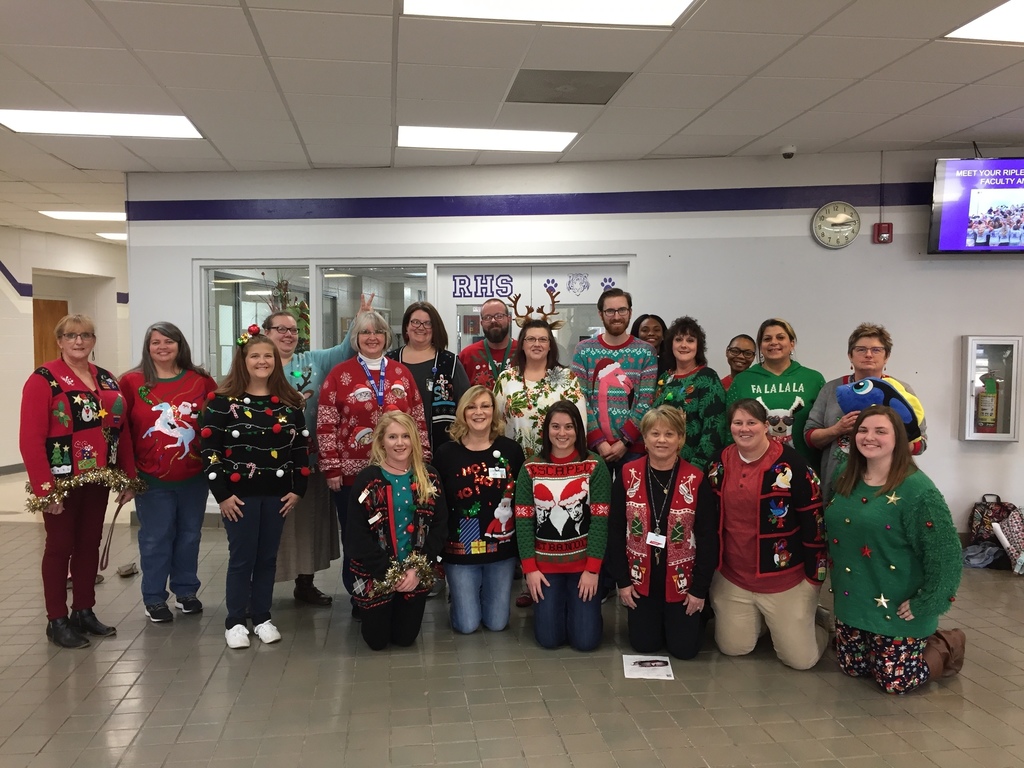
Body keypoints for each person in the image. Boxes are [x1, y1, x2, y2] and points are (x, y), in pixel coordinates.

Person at [20, 314, 142, 649]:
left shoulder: (105, 379)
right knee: (59, 548)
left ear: (93, 340)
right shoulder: (43, 379)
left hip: (97, 477)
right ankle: (56, 619)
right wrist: (46, 492)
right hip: (60, 481)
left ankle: (83, 611)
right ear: (59, 340)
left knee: (89, 544)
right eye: (71, 335)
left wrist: (129, 477)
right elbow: (30, 440)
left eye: (86, 335)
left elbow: (122, 431)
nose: (79, 341)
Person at [827, 406, 964, 694]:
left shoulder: (918, 490)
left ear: (897, 438)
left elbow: (946, 555)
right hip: (853, 601)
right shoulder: (844, 474)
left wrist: (928, 602)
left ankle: (946, 644)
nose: (869, 437)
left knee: (895, 682)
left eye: (880, 431)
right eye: (862, 430)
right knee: (853, 668)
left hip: (899, 606)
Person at [201, 327, 308, 648]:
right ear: (243, 360)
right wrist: (222, 495)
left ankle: (262, 617)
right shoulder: (221, 403)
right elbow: (210, 452)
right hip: (239, 497)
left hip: (277, 495)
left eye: (267, 356)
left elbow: (301, 451)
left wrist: (298, 488)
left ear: (276, 360)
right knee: (242, 558)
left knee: (267, 558)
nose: (262, 361)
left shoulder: (290, 402)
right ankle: (235, 621)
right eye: (255, 356)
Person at [317, 310, 430, 613]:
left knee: (397, 533)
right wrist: (331, 467)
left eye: (378, 332)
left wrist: (425, 464)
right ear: (355, 338)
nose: (372, 338)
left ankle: (398, 590)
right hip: (353, 476)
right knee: (358, 537)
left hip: (401, 473)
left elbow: (417, 419)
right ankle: (361, 595)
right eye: (365, 332)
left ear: (386, 337)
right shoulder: (339, 374)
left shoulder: (400, 373)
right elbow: (326, 422)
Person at [262, 294, 372, 607]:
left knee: (309, 525)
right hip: (268, 467)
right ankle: (260, 590)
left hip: (309, 462)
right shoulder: (257, 364)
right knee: (272, 528)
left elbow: (344, 349)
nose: (287, 335)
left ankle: (305, 584)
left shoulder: (313, 361)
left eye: (293, 330)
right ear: (266, 333)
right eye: (280, 329)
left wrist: (359, 319)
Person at [704, 399, 828, 670]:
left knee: (801, 661)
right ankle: (765, 622)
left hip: (785, 581)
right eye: (738, 423)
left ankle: (814, 623)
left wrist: (814, 578)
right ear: (731, 427)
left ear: (765, 426)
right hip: (734, 577)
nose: (744, 429)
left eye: (752, 423)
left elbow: (813, 520)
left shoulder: (793, 465)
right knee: (733, 648)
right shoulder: (718, 463)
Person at [120, 322, 217, 623]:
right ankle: (154, 598)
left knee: (189, 536)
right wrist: (127, 476)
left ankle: (186, 591)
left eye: (169, 341)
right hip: (151, 479)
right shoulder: (132, 382)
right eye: (155, 342)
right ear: (147, 347)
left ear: (180, 345)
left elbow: (217, 423)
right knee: (155, 538)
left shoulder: (200, 381)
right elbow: (121, 432)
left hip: (194, 477)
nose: (162, 347)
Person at [608, 406, 719, 660]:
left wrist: (699, 590)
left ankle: (701, 613)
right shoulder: (627, 474)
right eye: (654, 433)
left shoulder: (696, 478)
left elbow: (707, 537)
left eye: (669, 434)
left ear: (680, 439)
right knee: (644, 645)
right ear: (644, 439)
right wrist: (623, 582)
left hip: (682, 581)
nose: (661, 440)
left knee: (685, 650)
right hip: (640, 579)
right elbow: (615, 531)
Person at [346, 412, 448, 650]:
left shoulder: (429, 476)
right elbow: (355, 536)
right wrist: (388, 572)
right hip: (376, 573)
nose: (400, 443)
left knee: (405, 638)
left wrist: (416, 569)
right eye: (392, 437)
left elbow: (440, 527)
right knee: (377, 641)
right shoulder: (368, 480)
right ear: (381, 441)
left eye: (405, 436)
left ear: (414, 439)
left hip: (416, 571)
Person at [515, 401, 611, 651]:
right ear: (547, 430)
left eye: (569, 427)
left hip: (583, 568)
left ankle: (581, 613)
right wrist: (530, 569)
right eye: (556, 426)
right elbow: (523, 521)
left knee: (586, 642)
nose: (562, 433)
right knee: (548, 640)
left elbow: (600, 522)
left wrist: (592, 569)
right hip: (545, 569)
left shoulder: (595, 466)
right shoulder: (530, 468)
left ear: (578, 430)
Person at [434, 387, 525, 633]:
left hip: (501, 550)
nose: (478, 412)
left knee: (497, 623)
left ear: (494, 411)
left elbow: (522, 502)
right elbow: (438, 507)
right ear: (462, 413)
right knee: (467, 625)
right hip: (460, 551)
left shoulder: (511, 451)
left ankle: (480, 594)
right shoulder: (445, 453)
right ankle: (463, 598)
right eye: (472, 407)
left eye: (485, 406)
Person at [805, 323, 928, 503]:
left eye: (876, 350)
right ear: (850, 355)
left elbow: (921, 443)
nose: (868, 354)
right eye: (861, 349)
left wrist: (885, 441)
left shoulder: (901, 390)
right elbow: (809, 437)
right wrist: (837, 429)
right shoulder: (831, 389)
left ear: (887, 357)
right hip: (838, 483)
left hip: (889, 487)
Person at [570, 288, 658, 475]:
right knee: (596, 503)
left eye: (622, 310)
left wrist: (625, 441)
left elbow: (646, 401)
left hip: (634, 449)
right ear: (601, 314)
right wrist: (598, 441)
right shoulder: (583, 350)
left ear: (630, 312)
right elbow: (579, 398)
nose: (616, 316)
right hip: (593, 449)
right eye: (610, 311)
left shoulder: (646, 352)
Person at [726, 318, 824, 467]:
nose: (773, 342)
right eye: (767, 339)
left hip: (805, 468)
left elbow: (823, 426)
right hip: (753, 468)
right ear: (760, 346)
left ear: (792, 344)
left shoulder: (814, 379)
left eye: (780, 337)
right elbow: (728, 430)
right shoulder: (742, 380)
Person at [493, 319, 586, 461]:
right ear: (522, 345)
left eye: (543, 339)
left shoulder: (567, 378)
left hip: (557, 461)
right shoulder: (506, 379)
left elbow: (579, 424)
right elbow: (494, 423)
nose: (537, 344)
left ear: (550, 346)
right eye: (530, 339)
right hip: (514, 460)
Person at [388, 301, 470, 452]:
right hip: (396, 446)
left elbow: (466, 405)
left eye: (427, 323)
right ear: (406, 326)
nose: (421, 327)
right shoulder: (390, 361)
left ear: (435, 328)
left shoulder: (449, 362)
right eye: (415, 322)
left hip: (442, 447)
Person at [652, 316, 727, 471]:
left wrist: (696, 467)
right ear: (671, 344)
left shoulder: (707, 377)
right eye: (678, 340)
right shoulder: (664, 378)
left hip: (693, 467)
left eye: (690, 340)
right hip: (660, 464)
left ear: (698, 346)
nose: (684, 345)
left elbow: (714, 429)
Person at [459, 298, 518, 388]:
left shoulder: (523, 351)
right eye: (488, 317)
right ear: (481, 323)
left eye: (499, 316)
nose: (493, 321)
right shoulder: (467, 355)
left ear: (509, 319)